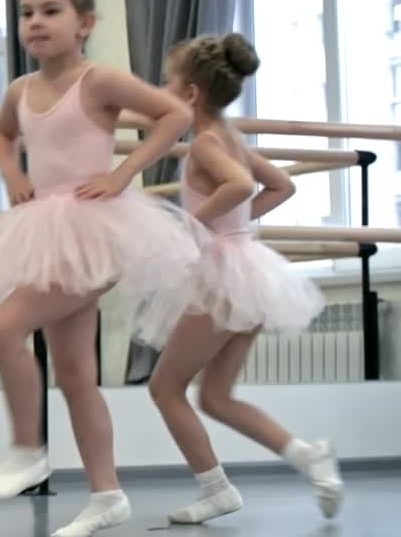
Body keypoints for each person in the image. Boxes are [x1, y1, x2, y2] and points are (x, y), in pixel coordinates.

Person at [0, 0, 199, 537]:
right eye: (25, 13)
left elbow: (172, 114)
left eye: (51, 11)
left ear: (84, 23)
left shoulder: (101, 79)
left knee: (0, 328)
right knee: (74, 376)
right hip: (47, 229)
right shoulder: (19, 88)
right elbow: (1, 132)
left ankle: (25, 449)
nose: (35, 22)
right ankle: (107, 494)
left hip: (93, 230)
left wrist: (124, 172)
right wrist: (11, 173)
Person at [134, 33, 342, 524]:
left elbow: (243, 185)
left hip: (223, 280)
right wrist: (237, 225)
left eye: (167, 83)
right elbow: (281, 185)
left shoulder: (205, 142)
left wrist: (193, 224)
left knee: (164, 388)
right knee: (216, 396)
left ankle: (216, 488)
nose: (160, 90)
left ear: (189, 95)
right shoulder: (229, 136)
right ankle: (308, 456)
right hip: (249, 273)